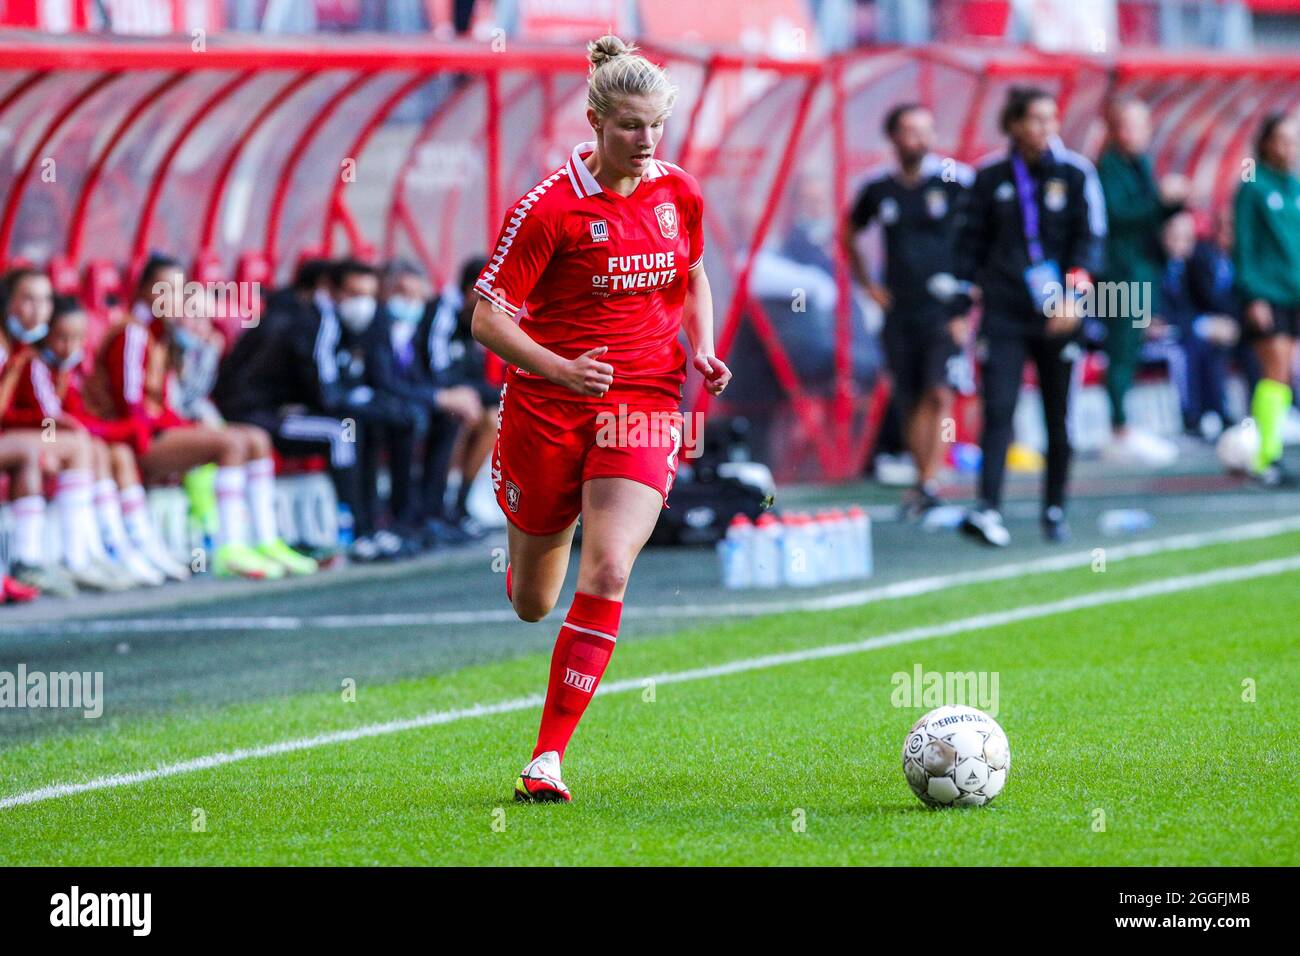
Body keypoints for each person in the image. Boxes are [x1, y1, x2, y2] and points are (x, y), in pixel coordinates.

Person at [471, 35, 729, 801]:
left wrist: (704, 347)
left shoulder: (678, 191)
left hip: (645, 402)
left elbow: (692, 276)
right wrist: (559, 368)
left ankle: (546, 757)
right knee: (533, 603)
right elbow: (487, 320)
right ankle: (525, 541)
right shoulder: (548, 207)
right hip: (549, 407)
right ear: (593, 119)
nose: (644, 141)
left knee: (611, 566)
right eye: (628, 126)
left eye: (654, 125)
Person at [85, 255, 313, 579]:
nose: (174, 299)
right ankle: (229, 548)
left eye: (179, 291)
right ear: (144, 291)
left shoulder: (162, 335)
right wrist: (185, 426)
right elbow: (132, 408)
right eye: (165, 289)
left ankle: (265, 540)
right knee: (231, 444)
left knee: (257, 439)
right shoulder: (132, 333)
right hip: (137, 438)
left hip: (157, 430)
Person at [955, 87, 1105, 546]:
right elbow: (968, 247)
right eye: (1035, 119)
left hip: (1061, 314)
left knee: (1058, 417)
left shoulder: (1078, 174)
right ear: (1014, 124)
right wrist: (963, 302)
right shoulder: (988, 176)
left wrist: (1075, 297)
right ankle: (988, 508)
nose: (1044, 128)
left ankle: (1054, 508)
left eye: (1051, 119)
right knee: (998, 408)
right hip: (1004, 313)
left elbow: (1092, 241)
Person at [4, 297, 191, 586]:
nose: (69, 346)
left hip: (51, 434)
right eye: (62, 337)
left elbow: (75, 415)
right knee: (88, 446)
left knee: (110, 452)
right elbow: (50, 419)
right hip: (42, 435)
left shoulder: (67, 370)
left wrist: (105, 432)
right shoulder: (34, 364)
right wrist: (60, 441)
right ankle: (82, 556)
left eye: (77, 338)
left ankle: (121, 546)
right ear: (47, 335)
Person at [843, 103, 974, 517]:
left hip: (944, 308)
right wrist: (868, 285)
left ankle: (932, 478)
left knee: (940, 391)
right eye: (910, 131)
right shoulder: (878, 187)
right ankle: (923, 480)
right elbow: (847, 233)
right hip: (899, 309)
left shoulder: (956, 180)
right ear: (894, 137)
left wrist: (964, 304)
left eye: (926, 130)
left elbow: (980, 238)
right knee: (911, 396)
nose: (919, 139)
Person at [0, 267, 121, 594]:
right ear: (7, 303)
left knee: (82, 444)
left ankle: (80, 554)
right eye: (27, 299)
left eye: (44, 301)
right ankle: (75, 558)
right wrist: (53, 432)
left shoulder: (23, 350)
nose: (37, 309)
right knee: (74, 443)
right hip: (33, 433)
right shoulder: (19, 353)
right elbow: (44, 415)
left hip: (32, 433)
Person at [1096, 96, 1189, 467]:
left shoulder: (1143, 165)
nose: (1133, 134)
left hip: (1141, 273)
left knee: (1132, 350)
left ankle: (1125, 427)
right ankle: (1117, 430)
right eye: (1127, 125)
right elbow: (1118, 217)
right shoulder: (1108, 168)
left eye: (1140, 125)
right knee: (1119, 350)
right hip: (1117, 276)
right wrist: (1165, 203)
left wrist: (1173, 206)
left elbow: (1150, 218)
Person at [1233, 113, 1300, 486]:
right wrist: (1252, 293)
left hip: (1294, 293)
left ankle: (1270, 452)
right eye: (1282, 140)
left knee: (1285, 375)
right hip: (1267, 293)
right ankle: (1265, 456)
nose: (1289, 148)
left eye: (1293, 141)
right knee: (1274, 372)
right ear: (1266, 143)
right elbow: (1243, 244)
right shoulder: (1252, 185)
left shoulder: (1294, 186)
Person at [416, 256, 499, 539]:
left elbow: (473, 379)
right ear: (471, 289)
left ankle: (459, 506)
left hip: (451, 396)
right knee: (462, 413)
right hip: (424, 393)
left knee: (492, 418)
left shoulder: (474, 319)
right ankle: (435, 508)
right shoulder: (441, 312)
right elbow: (437, 373)